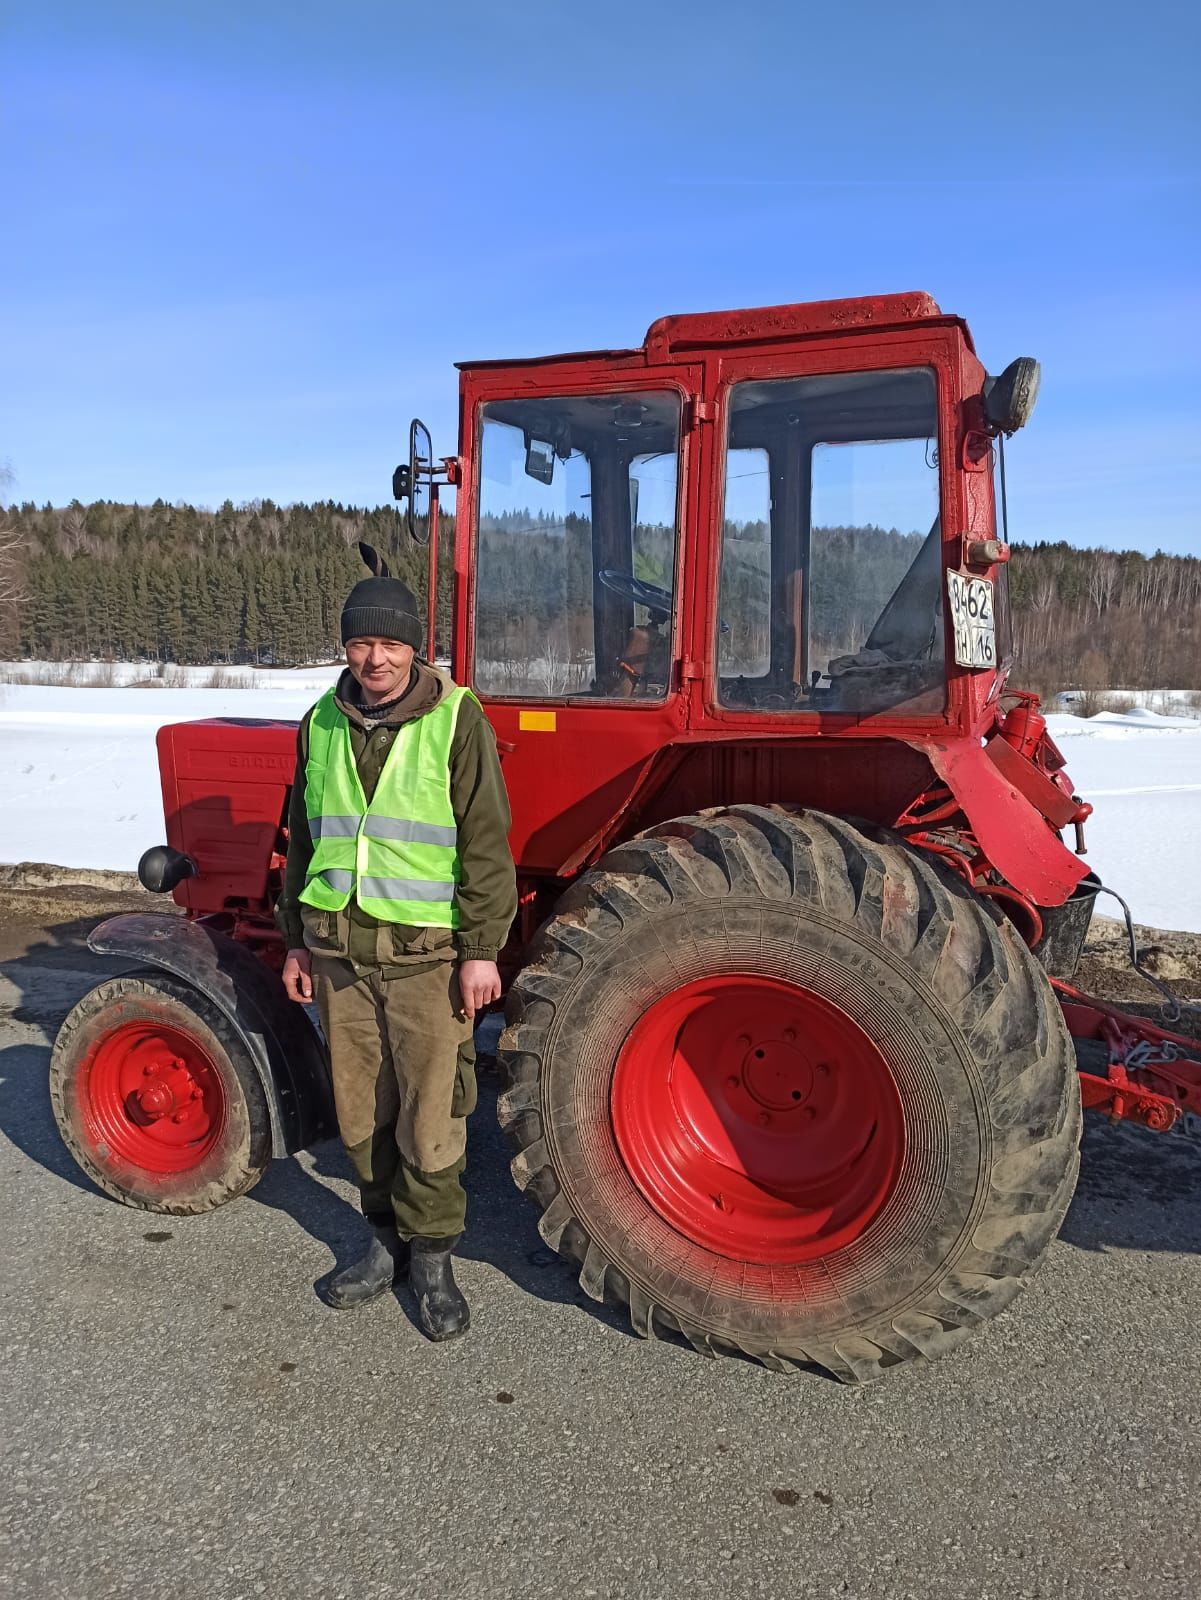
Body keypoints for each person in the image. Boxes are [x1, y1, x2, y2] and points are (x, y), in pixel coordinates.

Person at [276, 546, 516, 1341]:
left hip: (425, 962)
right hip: (341, 957)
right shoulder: (319, 722)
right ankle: (382, 1244)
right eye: (359, 643)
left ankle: (434, 1259)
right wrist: (296, 943)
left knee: (430, 1118)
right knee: (359, 1115)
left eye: (390, 643)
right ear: (343, 648)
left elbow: (485, 844)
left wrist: (481, 949)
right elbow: (304, 843)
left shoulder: (456, 720)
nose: (374, 658)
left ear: (416, 649)